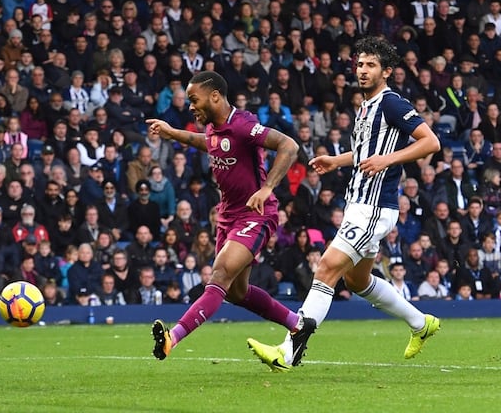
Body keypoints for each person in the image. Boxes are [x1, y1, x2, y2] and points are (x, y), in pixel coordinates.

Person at [249, 36, 442, 371]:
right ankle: (420, 323)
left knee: (326, 268)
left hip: (374, 207)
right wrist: (338, 161)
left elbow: (431, 142)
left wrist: (388, 160)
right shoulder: (365, 107)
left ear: (386, 72)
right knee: (356, 281)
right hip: (358, 203)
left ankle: (288, 350)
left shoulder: (392, 103)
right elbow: (366, 153)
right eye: (360, 64)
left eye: (371, 65)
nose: (363, 70)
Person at [146, 71, 307, 362]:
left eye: (194, 99)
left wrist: (267, 188)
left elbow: (289, 146)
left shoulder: (244, 125)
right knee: (236, 292)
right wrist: (173, 133)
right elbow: (207, 142)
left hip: (255, 214)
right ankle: (298, 325)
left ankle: (174, 337)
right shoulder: (213, 127)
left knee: (219, 275)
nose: (190, 105)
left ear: (215, 96)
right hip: (227, 216)